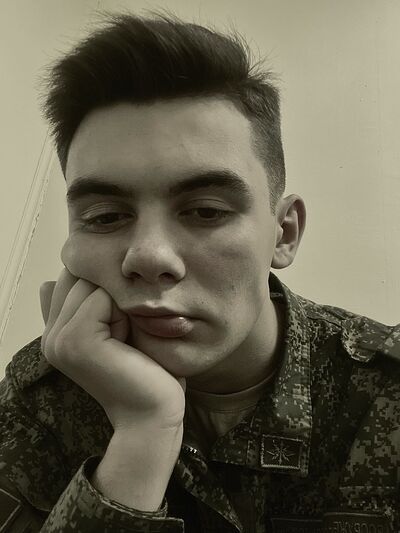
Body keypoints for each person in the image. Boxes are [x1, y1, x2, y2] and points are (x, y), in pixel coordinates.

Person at [0, 11, 399, 533]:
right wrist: (142, 434)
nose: (149, 257)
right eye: (105, 217)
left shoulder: (385, 392)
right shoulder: (43, 394)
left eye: (206, 211)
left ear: (283, 234)